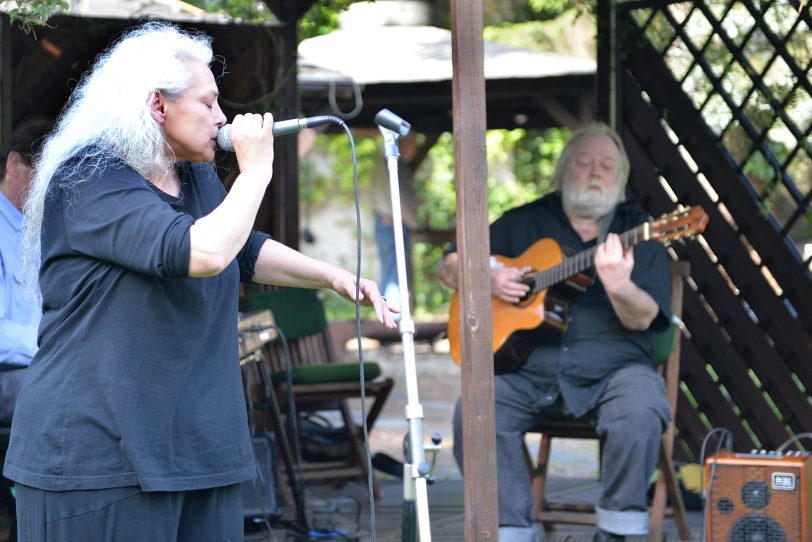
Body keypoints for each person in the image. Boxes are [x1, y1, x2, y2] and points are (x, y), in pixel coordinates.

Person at [3, 22, 396, 541]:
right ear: (157, 106)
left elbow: (240, 247)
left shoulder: (191, 173)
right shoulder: (89, 178)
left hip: (198, 447)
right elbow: (204, 251)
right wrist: (255, 172)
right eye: (209, 103)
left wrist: (332, 276)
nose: (222, 118)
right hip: (98, 455)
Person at [438, 123, 672, 542]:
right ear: (564, 170)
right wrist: (484, 277)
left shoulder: (643, 234)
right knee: (474, 408)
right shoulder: (524, 221)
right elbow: (450, 264)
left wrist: (619, 286)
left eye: (606, 166)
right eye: (584, 163)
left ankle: (616, 531)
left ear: (619, 176)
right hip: (527, 370)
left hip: (613, 373)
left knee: (641, 406)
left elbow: (643, 320)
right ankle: (507, 529)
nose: (595, 173)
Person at [0, 118, 52, 424]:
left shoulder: (44, 231)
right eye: (43, 175)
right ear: (14, 164)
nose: (50, 187)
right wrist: (56, 345)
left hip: (40, 365)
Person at [370, 133, 419, 312]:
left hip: (390, 220)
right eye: (412, 143)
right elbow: (391, 195)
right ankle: (393, 315)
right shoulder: (390, 161)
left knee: (394, 270)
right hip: (390, 222)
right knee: (394, 272)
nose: (414, 149)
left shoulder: (392, 163)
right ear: (403, 143)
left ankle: (392, 315)